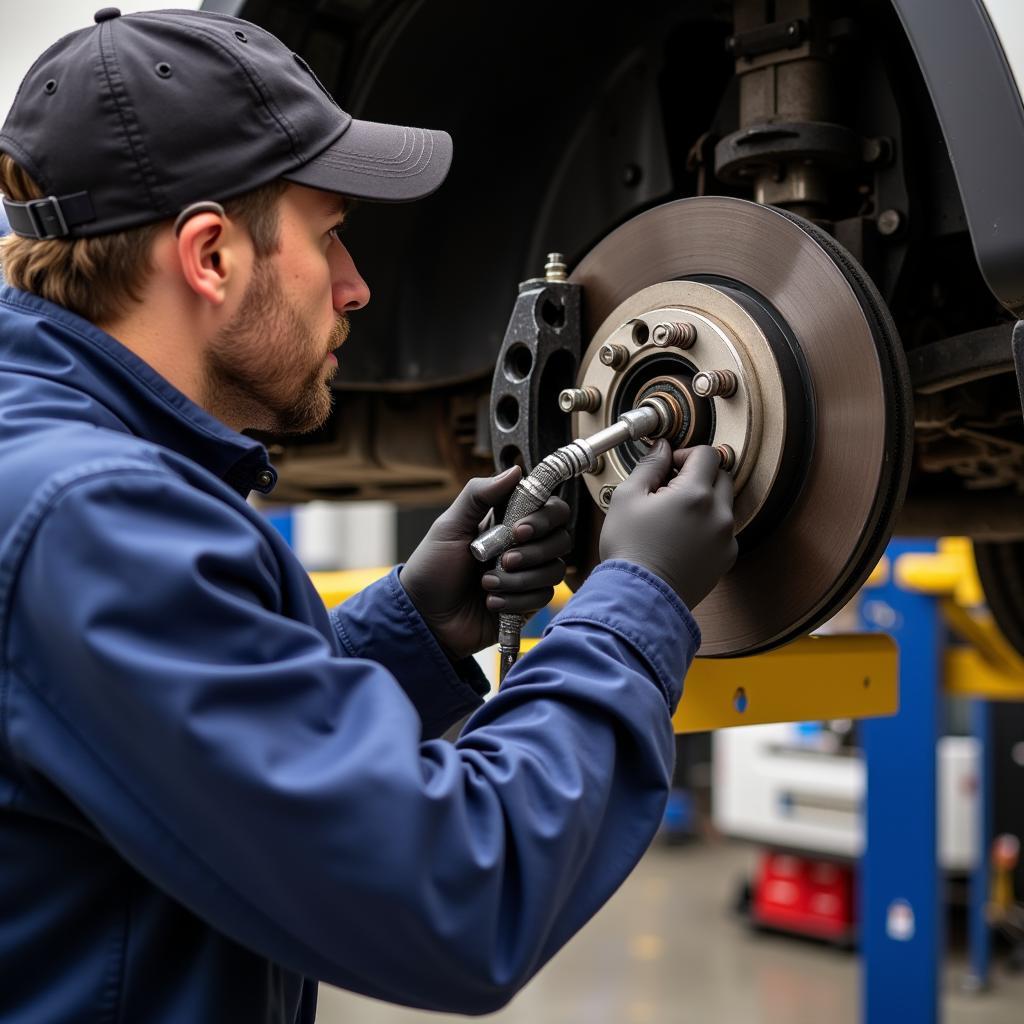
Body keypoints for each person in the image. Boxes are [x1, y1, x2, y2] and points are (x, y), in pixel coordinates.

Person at [0, 8, 737, 1023]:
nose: (357, 288)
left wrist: (416, 629)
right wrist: (635, 604)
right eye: (331, 236)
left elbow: (186, 763)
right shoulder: (92, 520)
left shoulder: (52, 464)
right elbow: (460, 894)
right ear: (209, 256)